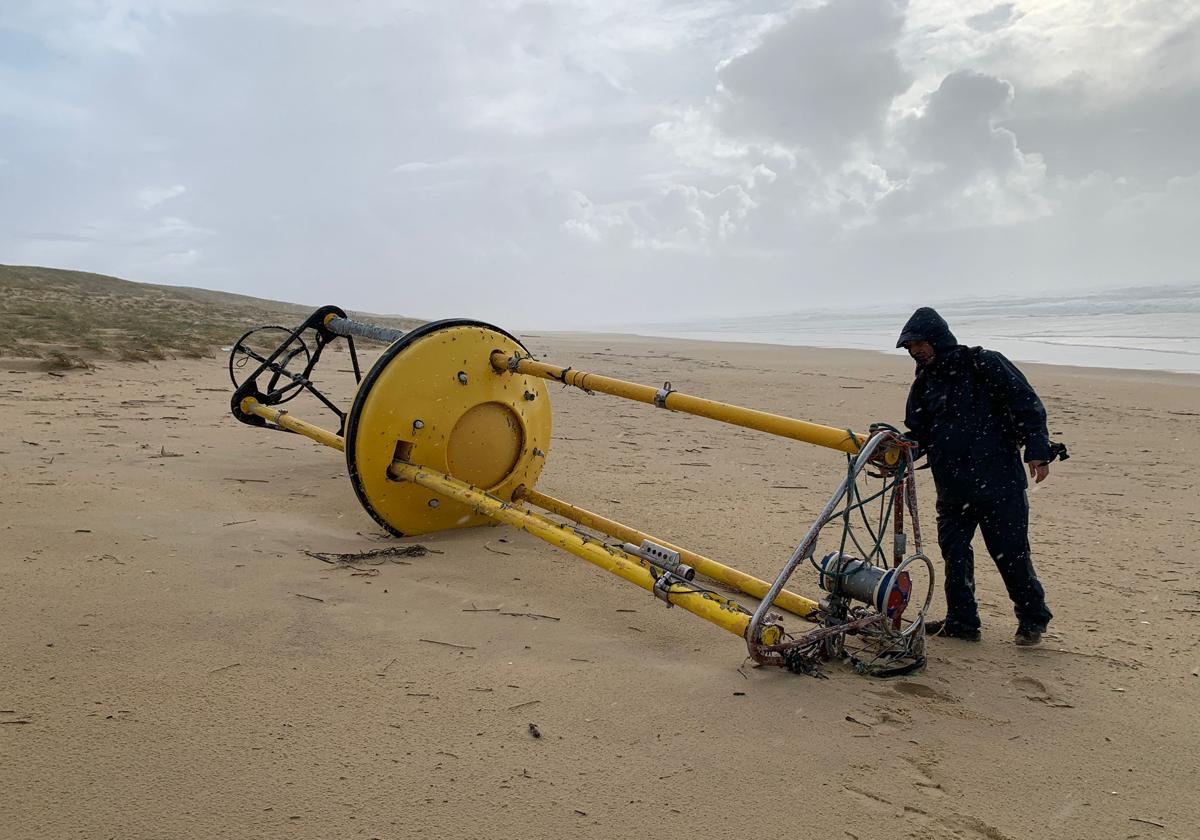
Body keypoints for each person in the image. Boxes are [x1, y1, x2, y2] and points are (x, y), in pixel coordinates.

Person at [897, 307, 1056, 646]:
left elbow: (1026, 404)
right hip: (952, 487)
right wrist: (896, 455)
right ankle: (962, 621)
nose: (916, 351)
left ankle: (1032, 619)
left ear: (937, 338)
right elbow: (919, 432)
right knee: (954, 554)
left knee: (1010, 553)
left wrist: (1038, 451)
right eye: (910, 347)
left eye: (919, 343)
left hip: (999, 483)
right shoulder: (925, 383)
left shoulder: (983, 363)